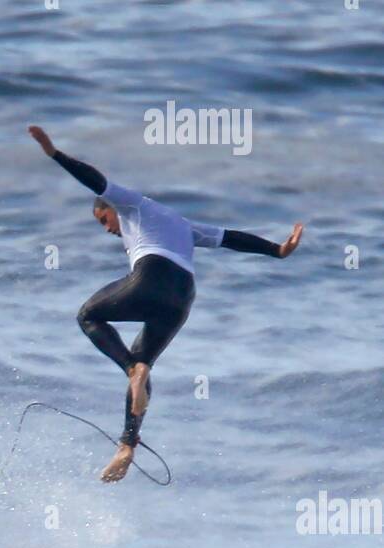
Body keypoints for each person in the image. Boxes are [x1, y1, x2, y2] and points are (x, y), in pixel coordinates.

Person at [28, 125, 304, 481]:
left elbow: (96, 181)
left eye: (103, 220)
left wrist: (54, 154)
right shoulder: (182, 223)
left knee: (88, 316)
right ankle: (127, 444)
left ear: (110, 208)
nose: (107, 228)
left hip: (151, 277)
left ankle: (132, 371)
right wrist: (278, 251)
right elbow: (231, 238)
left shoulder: (133, 205)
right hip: (182, 297)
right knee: (145, 364)